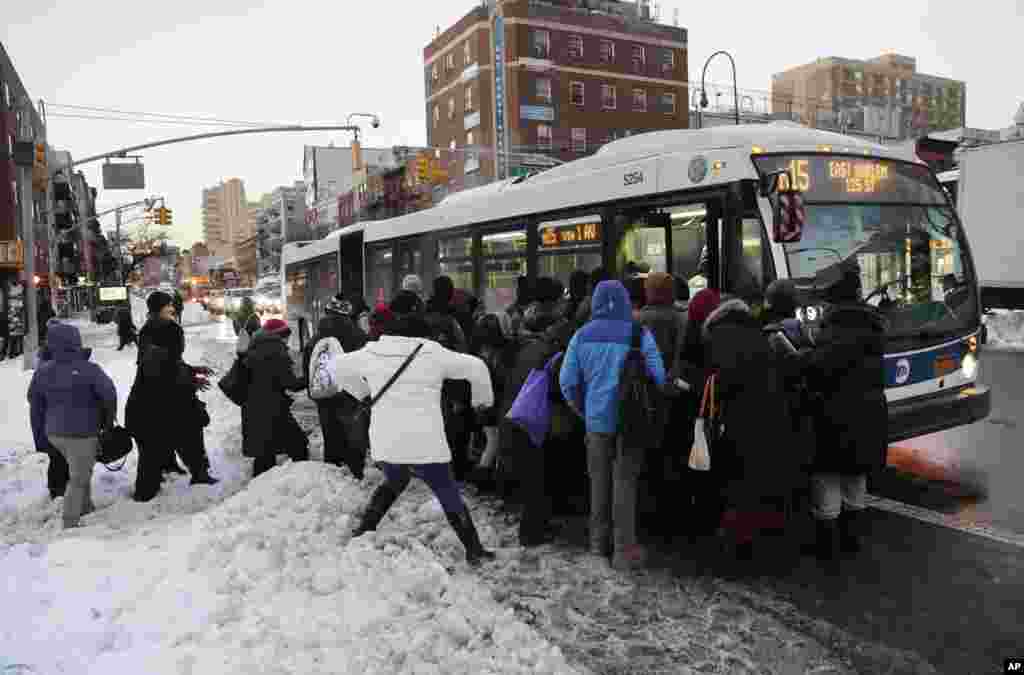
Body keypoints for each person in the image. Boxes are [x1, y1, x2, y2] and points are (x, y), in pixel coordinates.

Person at [343, 309, 497, 566]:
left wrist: (362, 393)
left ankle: (364, 529)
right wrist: (482, 401)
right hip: (426, 443)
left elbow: (337, 366)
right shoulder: (433, 353)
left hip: (387, 441)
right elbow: (477, 366)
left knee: (395, 479)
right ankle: (474, 549)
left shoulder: (371, 352)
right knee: (447, 491)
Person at [559, 280, 666, 570]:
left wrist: (584, 410)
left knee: (599, 483)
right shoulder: (638, 333)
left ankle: (597, 546)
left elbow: (567, 382)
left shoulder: (581, 336)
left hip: (596, 423)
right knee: (625, 484)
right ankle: (623, 551)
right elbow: (658, 376)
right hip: (631, 422)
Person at [700, 294, 802, 564]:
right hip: (770, 414)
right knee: (758, 479)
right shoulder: (758, 333)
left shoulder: (719, 338)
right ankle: (761, 541)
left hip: (738, 418)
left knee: (736, 481)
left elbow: (722, 380)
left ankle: (736, 547)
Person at [797, 263, 887, 562]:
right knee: (855, 478)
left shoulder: (836, 330)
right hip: (868, 414)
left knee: (827, 480)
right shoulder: (873, 328)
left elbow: (821, 368)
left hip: (834, 415)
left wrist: (802, 357)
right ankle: (852, 539)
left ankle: (828, 545)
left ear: (834, 302)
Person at [28, 321, 117, 528]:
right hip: (82, 433)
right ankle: (70, 521)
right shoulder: (90, 370)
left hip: (54, 433)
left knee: (80, 469)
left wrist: (41, 432)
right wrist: (107, 421)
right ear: (76, 342)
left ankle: (86, 507)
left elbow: (34, 399)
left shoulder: (43, 371)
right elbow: (109, 395)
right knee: (79, 476)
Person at [131, 292, 218, 492]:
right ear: (161, 308)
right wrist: (191, 380)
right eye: (169, 305)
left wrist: (192, 371)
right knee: (190, 433)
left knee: (154, 444)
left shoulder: (146, 330)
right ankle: (199, 474)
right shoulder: (170, 329)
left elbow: (168, 363)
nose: (172, 308)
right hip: (172, 397)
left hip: (147, 397)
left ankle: (148, 488)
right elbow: (168, 366)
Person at [637, 272, 689, 531]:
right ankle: (672, 510)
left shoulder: (638, 319)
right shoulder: (681, 318)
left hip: (644, 393)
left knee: (648, 452)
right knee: (672, 448)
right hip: (672, 392)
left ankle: (649, 509)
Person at [243, 318, 309, 477]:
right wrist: (309, 379)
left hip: (252, 407)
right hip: (273, 409)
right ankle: (300, 479)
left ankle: (258, 492)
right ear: (280, 335)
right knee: (298, 444)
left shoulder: (253, 347)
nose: (288, 340)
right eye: (286, 335)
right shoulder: (276, 351)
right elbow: (290, 383)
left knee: (264, 453)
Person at [313, 295, 368, 478]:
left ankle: (332, 473)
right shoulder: (357, 335)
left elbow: (311, 364)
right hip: (350, 393)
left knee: (331, 435)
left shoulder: (318, 335)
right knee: (353, 436)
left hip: (325, 393)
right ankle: (355, 473)